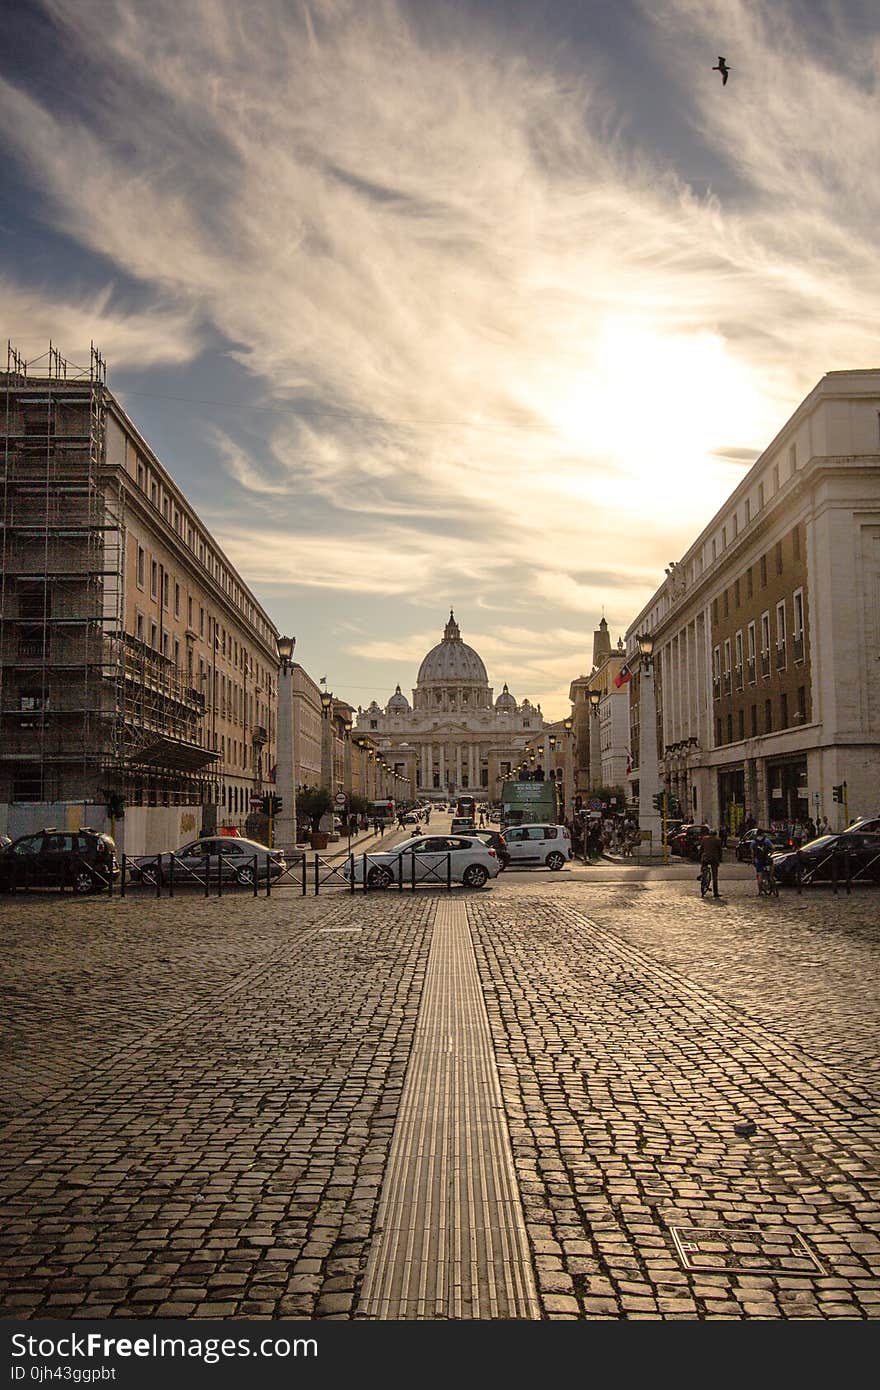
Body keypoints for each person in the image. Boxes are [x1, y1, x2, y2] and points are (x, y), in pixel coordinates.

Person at [699, 826, 723, 897]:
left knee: (703, 865)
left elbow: (701, 849)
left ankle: (702, 874)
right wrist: (720, 859)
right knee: (715, 876)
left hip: (705, 858)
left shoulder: (704, 839)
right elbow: (720, 851)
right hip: (714, 859)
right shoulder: (717, 840)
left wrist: (700, 855)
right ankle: (715, 892)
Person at [751, 828, 776, 895]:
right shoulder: (766, 840)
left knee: (759, 875)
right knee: (771, 874)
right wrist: (770, 854)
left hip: (758, 860)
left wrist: (753, 859)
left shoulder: (753, 842)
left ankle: (760, 891)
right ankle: (773, 885)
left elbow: (752, 852)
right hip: (766, 859)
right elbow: (773, 848)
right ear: (762, 833)